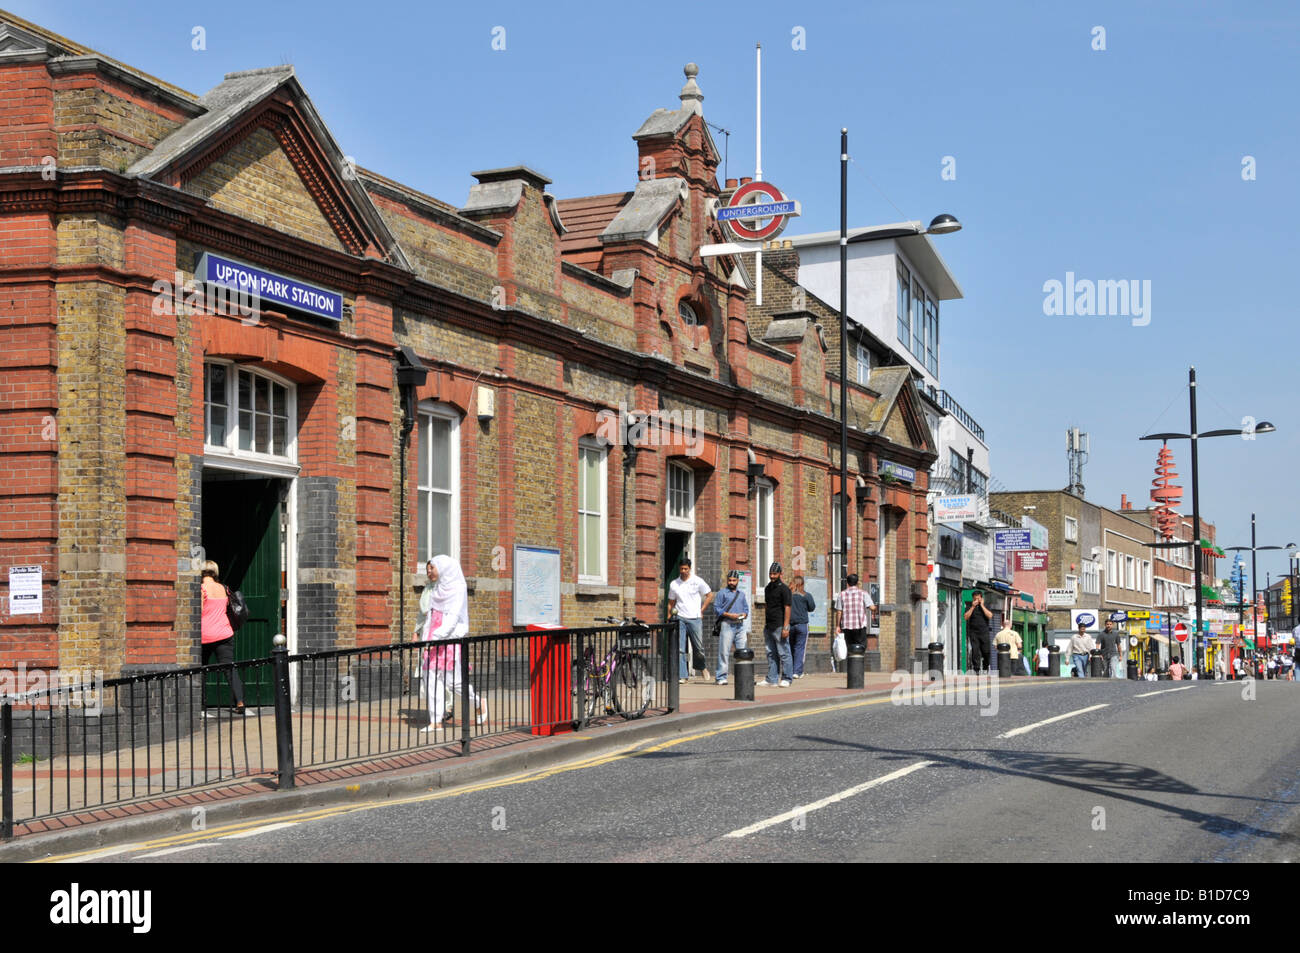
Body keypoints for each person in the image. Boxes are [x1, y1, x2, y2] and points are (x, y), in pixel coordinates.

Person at [420, 555, 486, 733]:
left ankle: (478, 702)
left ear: (443, 567)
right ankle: (436, 721)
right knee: (431, 679)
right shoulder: (438, 588)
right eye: (428, 568)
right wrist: (426, 637)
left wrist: (437, 636)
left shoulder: (458, 588)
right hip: (433, 641)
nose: (429, 571)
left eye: (432, 568)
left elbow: (453, 617)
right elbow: (432, 615)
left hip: (449, 640)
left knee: (453, 683)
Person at [200, 561, 250, 716]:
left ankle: (200, 706)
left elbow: (198, 613)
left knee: (200, 670)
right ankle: (240, 702)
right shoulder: (224, 588)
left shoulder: (201, 589)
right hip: (224, 633)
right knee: (229, 668)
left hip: (205, 635)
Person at [667, 559, 714, 683]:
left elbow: (709, 595)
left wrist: (702, 610)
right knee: (680, 648)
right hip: (680, 618)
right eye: (681, 569)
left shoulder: (697, 581)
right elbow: (671, 602)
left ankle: (702, 667)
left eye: (685, 569)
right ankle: (683, 675)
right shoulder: (674, 584)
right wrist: (669, 616)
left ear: (690, 568)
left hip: (695, 618)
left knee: (698, 647)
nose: (683, 571)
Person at [756, 563, 793, 687]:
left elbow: (787, 608)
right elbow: (767, 605)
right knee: (770, 653)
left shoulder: (784, 589)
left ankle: (787, 678)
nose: (772, 576)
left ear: (780, 574)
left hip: (780, 625)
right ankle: (772, 678)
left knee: (784, 653)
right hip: (769, 625)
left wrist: (786, 627)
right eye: (770, 574)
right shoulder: (767, 588)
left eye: (774, 574)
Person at [712, 570, 749, 686]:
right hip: (727, 624)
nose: (732, 582)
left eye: (734, 580)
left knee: (742, 652)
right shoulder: (722, 593)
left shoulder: (741, 594)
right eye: (730, 580)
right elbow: (716, 609)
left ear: (738, 581)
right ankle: (721, 677)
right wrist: (729, 615)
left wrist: (744, 614)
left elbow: (746, 609)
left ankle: (742, 676)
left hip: (740, 625)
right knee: (724, 652)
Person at [832, 573, 873, 655]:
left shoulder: (842, 594)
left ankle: (850, 666)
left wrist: (837, 626)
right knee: (861, 648)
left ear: (847, 583)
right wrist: (875, 608)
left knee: (848, 648)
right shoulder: (863, 593)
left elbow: (839, 611)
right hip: (860, 626)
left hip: (846, 627)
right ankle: (858, 666)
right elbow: (871, 607)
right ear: (857, 582)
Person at [789, 575, 816, 679]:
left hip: (790, 625)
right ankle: (797, 672)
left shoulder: (789, 595)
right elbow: (812, 608)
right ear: (802, 584)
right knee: (800, 649)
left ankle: (790, 670)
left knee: (791, 648)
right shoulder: (806, 595)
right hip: (802, 625)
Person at [964, 592, 993, 673]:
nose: (976, 600)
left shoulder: (986, 605)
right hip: (974, 632)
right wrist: (973, 607)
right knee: (975, 651)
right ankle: (976, 669)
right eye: (975, 599)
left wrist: (982, 606)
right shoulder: (970, 606)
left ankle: (985, 666)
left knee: (986, 651)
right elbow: (966, 617)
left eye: (978, 598)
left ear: (981, 598)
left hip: (984, 632)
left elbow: (990, 616)